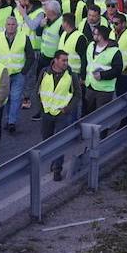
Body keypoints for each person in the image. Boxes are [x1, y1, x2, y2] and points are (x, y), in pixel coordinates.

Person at [38, 51, 76, 180]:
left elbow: (77, 95)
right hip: (47, 113)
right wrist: (41, 108)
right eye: (63, 60)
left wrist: (67, 109)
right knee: (47, 141)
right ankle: (53, 161)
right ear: (55, 60)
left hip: (61, 114)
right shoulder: (44, 72)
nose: (66, 63)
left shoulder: (71, 74)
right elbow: (37, 90)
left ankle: (57, 170)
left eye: (67, 60)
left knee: (59, 141)